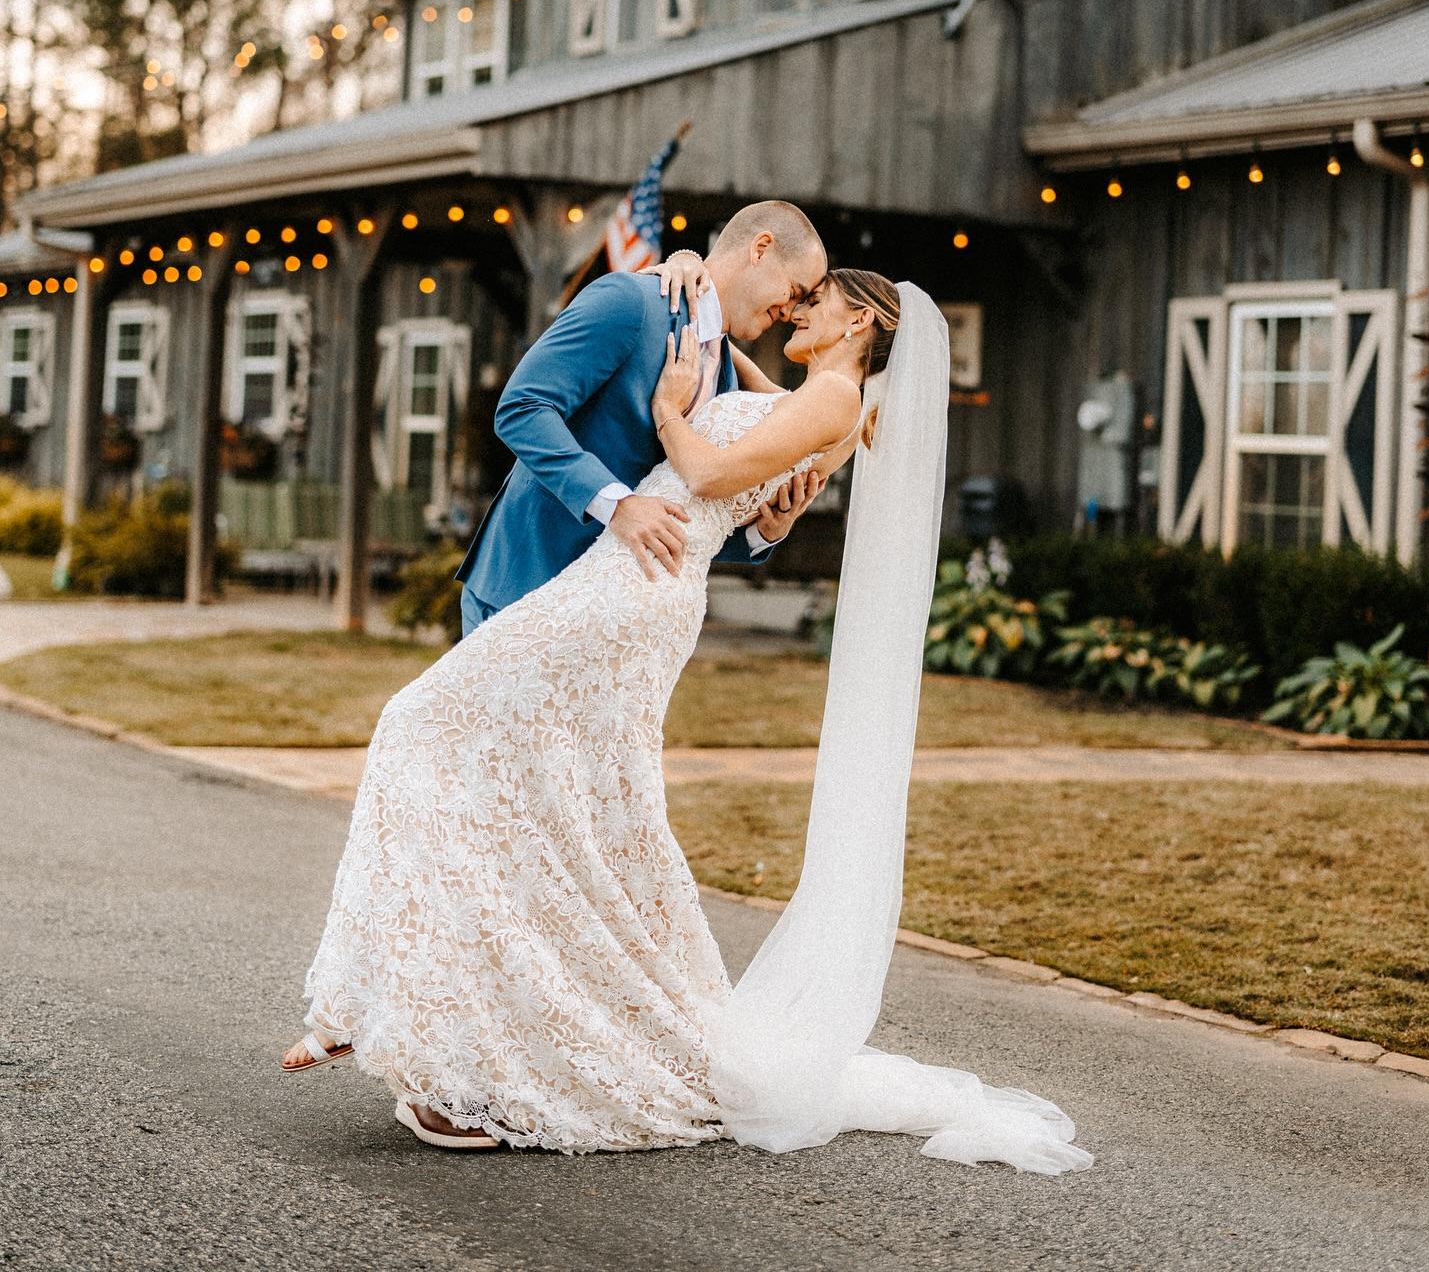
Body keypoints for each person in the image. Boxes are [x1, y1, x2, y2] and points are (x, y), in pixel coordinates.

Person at [282, 264, 1089, 1175]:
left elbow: (704, 468)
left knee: (426, 723)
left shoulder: (833, 404)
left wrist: (669, 412)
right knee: (558, 806)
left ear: (857, 320)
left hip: (638, 584)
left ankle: (392, 1013)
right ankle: (412, 1016)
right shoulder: (814, 396)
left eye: (816, 300)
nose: (799, 306)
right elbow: (739, 393)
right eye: (798, 288)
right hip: (625, 581)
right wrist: (690, 281)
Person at [450, 200, 831, 635]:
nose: (791, 312)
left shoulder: (726, 374)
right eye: (794, 291)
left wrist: (761, 533)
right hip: (527, 586)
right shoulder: (631, 303)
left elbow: (672, 514)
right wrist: (619, 506)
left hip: (609, 616)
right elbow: (522, 408)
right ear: (760, 248)